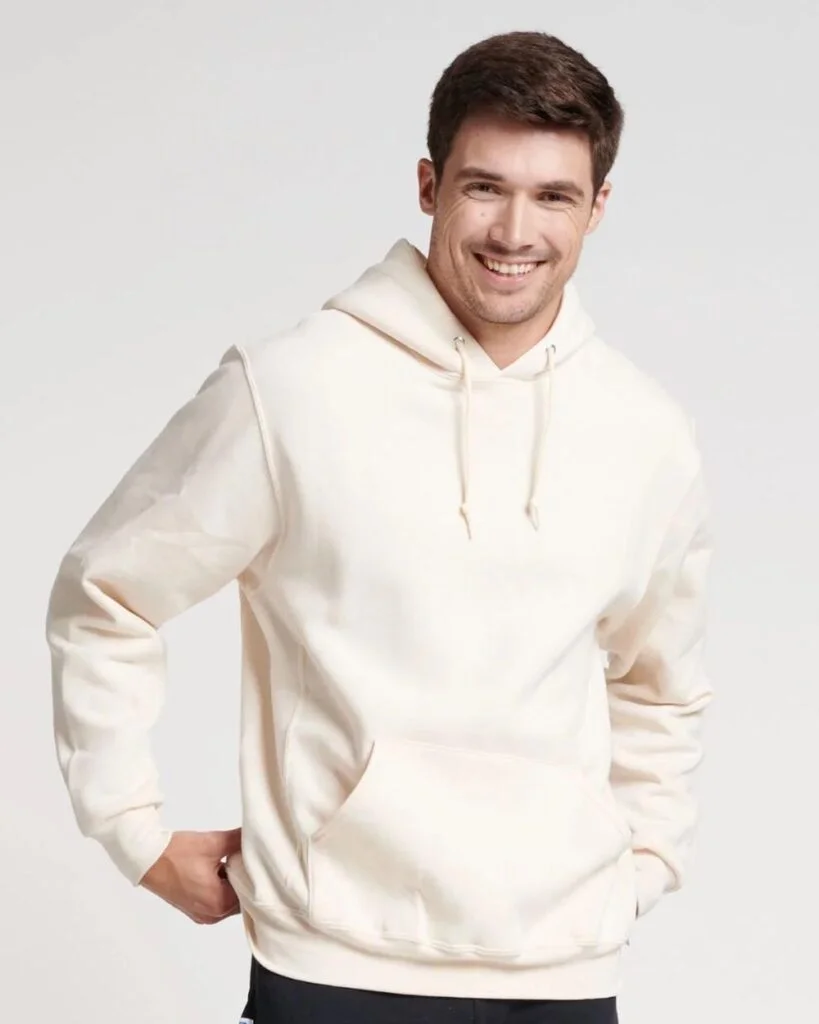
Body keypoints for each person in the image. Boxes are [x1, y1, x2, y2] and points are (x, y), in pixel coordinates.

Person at [46, 29, 713, 1024]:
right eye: (484, 187)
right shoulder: (292, 390)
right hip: (337, 965)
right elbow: (108, 590)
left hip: (566, 974)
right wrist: (132, 830)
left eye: (553, 195)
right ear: (428, 186)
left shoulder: (646, 433)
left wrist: (643, 861)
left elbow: (662, 683)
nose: (515, 229)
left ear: (597, 207)